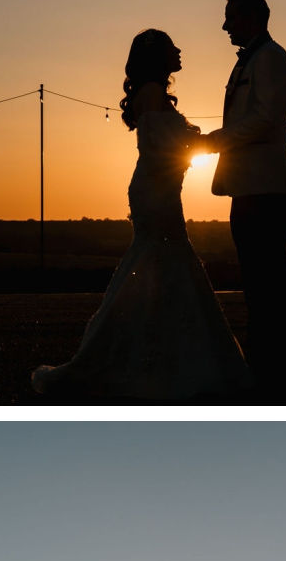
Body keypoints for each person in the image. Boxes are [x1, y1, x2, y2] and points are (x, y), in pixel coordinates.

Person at [32, 28, 252, 403]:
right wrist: (200, 143)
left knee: (160, 263)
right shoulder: (151, 94)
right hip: (156, 191)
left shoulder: (152, 93)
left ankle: (161, 350)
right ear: (157, 56)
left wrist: (193, 145)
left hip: (160, 188)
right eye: (171, 46)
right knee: (162, 258)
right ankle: (150, 358)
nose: (179, 50)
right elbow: (156, 150)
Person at [197, 0, 286, 399]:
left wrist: (214, 141)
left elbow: (265, 120)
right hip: (249, 186)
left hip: (267, 187)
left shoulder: (272, 58)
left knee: (268, 281)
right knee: (257, 282)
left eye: (231, 17)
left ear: (253, 18)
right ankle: (267, 366)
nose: (225, 25)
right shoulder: (254, 59)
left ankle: (277, 370)